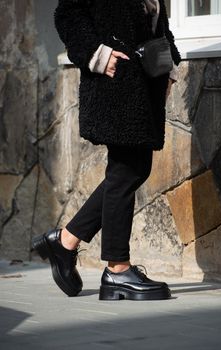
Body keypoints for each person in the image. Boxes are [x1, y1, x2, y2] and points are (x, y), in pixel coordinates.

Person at [31, 0, 181, 301]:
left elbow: (154, 19)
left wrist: (166, 65)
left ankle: (66, 241)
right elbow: (68, 13)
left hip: (142, 82)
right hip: (115, 81)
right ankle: (116, 268)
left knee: (134, 169)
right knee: (126, 169)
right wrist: (98, 55)